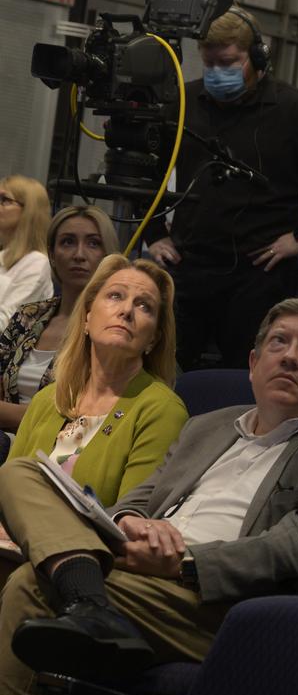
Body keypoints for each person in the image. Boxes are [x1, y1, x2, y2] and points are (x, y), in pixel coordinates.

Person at [0, 298, 298, 695]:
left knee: (32, 583)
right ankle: (89, 598)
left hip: (223, 600)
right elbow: (138, 499)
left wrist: (181, 563)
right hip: (138, 567)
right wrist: (132, 524)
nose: (291, 357)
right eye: (279, 343)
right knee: (20, 472)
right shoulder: (208, 425)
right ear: (253, 363)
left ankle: (82, 597)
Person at [142, 6, 298, 370]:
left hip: (258, 276)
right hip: (190, 265)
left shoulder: (295, 110)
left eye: (228, 62)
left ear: (259, 56)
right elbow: (145, 167)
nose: (216, 73)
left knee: (244, 381)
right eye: (209, 63)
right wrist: (153, 234)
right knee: (162, 373)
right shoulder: (182, 103)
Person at [3, 254, 185, 507]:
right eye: (115, 296)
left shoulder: (161, 411)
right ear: (87, 318)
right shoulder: (49, 398)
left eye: (144, 306)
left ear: (153, 338)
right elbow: (7, 490)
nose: (126, 311)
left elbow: (130, 521)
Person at [0, 205, 118, 432]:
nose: (79, 255)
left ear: (107, 255)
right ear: (52, 255)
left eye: (93, 243)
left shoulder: (111, 328)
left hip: (58, 448)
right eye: (67, 242)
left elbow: (67, 414)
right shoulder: (29, 315)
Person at [0, 176, 52, 333]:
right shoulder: (4, 255)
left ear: (29, 210)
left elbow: (6, 325)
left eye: (5, 200)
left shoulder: (36, 263)